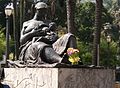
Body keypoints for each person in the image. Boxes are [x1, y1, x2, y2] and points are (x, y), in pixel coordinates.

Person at [19, 2, 77, 67]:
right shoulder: (27, 23)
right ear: (36, 10)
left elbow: (55, 37)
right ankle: (60, 60)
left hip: (50, 43)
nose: (43, 12)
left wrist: (53, 32)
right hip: (33, 45)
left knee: (70, 36)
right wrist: (32, 33)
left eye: (44, 10)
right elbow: (21, 41)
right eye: (40, 10)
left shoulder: (49, 23)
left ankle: (74, 59)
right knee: (41, 45)